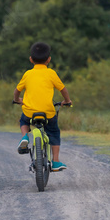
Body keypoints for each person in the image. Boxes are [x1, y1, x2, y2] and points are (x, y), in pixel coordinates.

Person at [13, 42, 72, 172]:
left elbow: (17, 90)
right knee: (54, 132)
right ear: (49, 59)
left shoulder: (28, 74)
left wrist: (17, 100)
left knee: (23, 120)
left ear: (30, 59)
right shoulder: (51, 73)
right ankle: (55, 161)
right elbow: (63, 89)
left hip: (29, 112)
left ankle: (24, 137)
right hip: (48, 113)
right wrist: (67, 101)